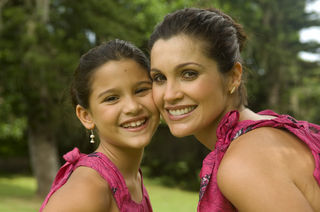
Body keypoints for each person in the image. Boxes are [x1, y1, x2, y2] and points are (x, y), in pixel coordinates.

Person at [148, 7, 320, 212]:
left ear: (233, 76)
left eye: (189, 74)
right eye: (159, 78)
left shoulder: (246, 161)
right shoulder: (263, 135)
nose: (169, 94)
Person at [40, 39, 159, 212]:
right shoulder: (89, 189)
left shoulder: (132, 179)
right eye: (111, 98)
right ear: (86, 116)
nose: (133, 107)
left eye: (141, 90)